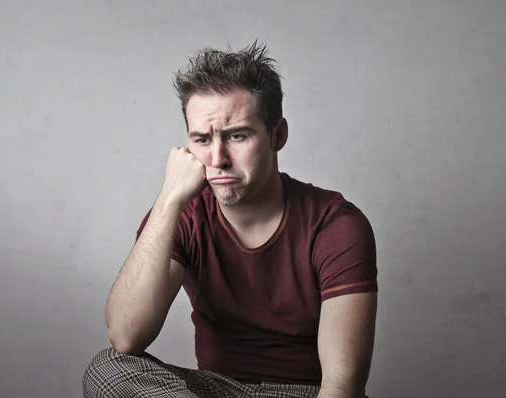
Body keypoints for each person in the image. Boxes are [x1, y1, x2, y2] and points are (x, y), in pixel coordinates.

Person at [83, 41, 378, 398]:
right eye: (202, 139)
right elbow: (127, 335)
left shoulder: (335, 224)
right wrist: (168, 199)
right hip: (219, 391)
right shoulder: (181, 214)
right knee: (107, 368)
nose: (217, 158)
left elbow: (342, 385)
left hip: (307, 393)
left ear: (277, 135)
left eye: (237, 136)